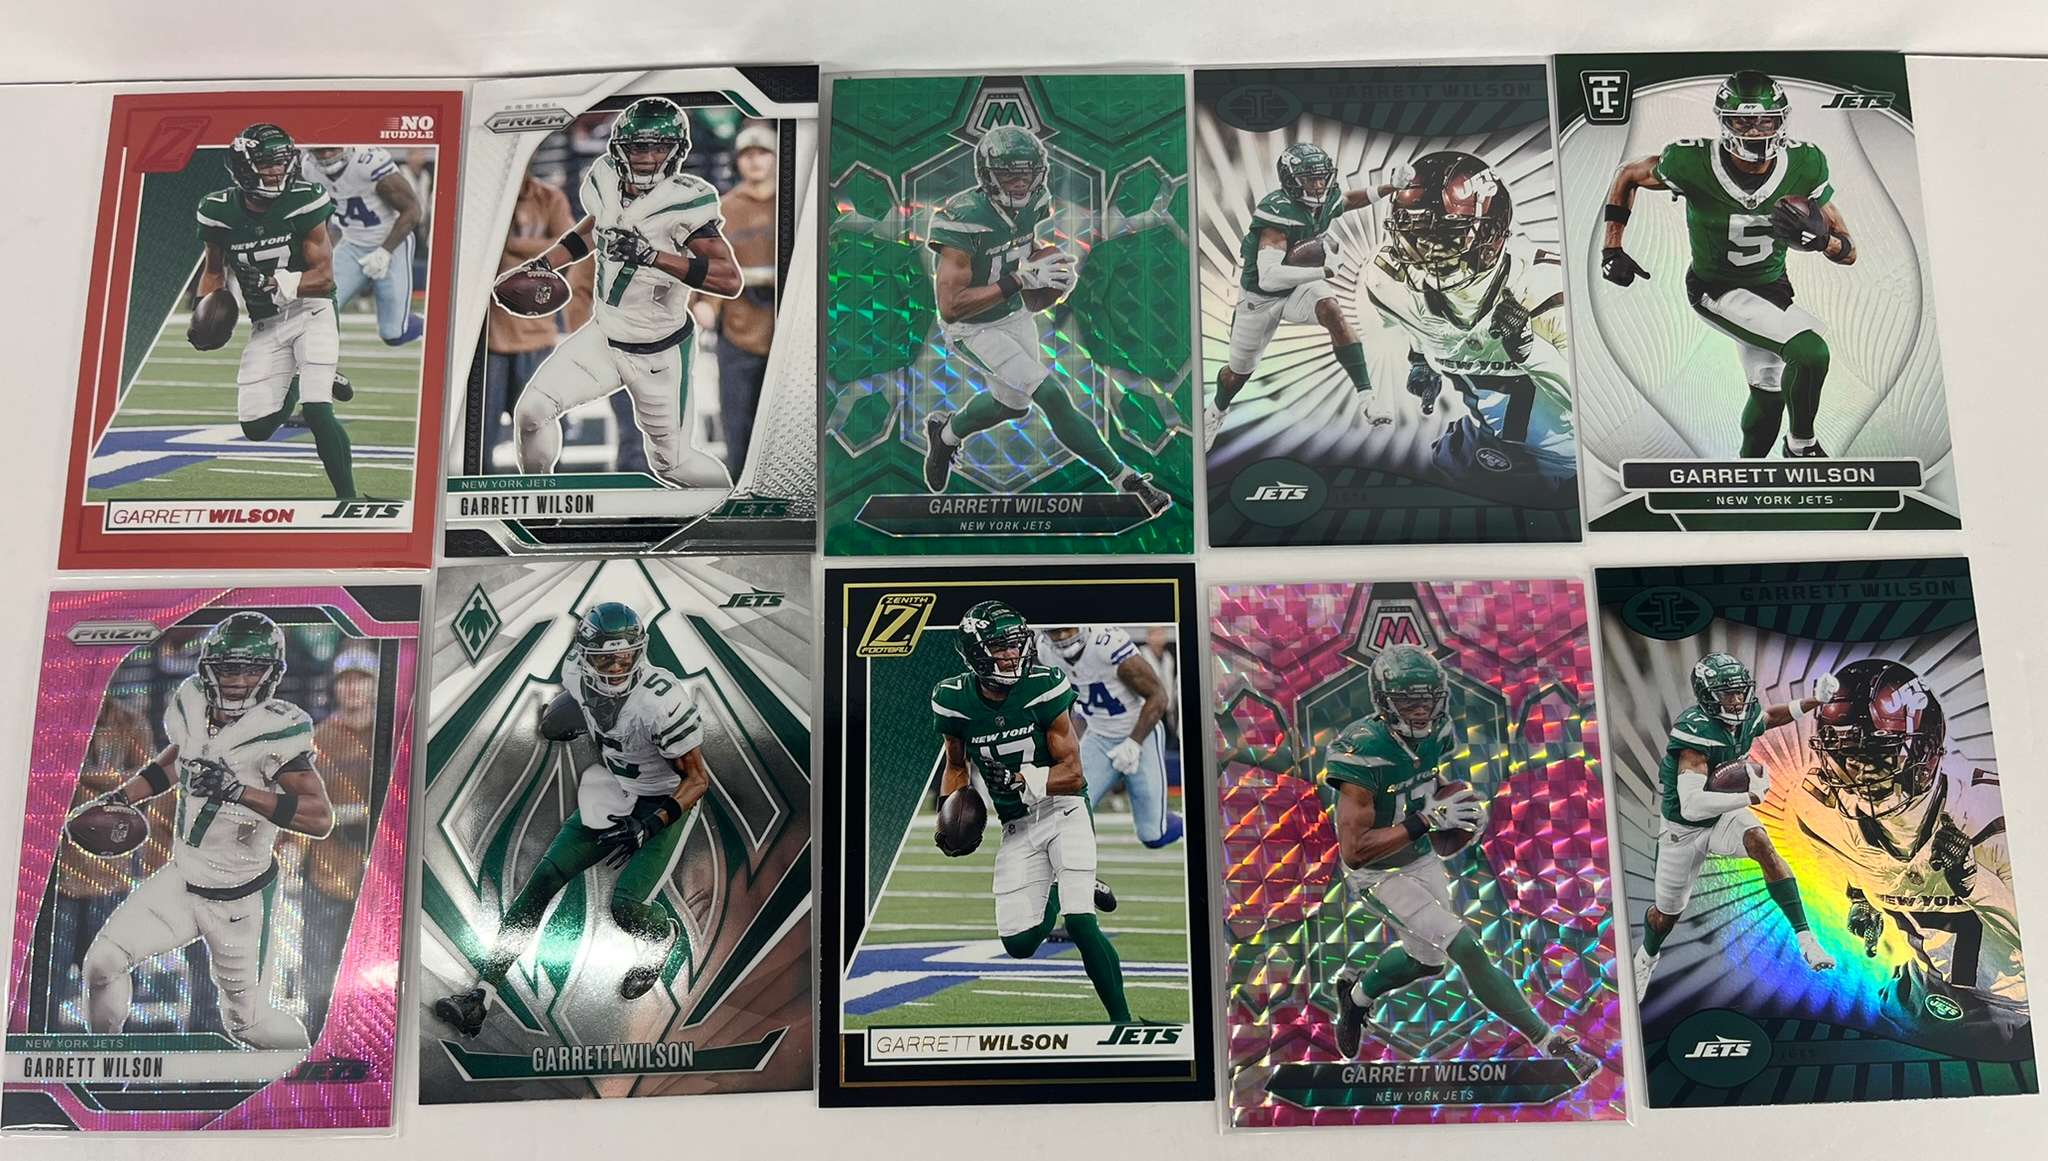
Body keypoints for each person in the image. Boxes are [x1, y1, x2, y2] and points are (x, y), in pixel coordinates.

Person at [301, 663, 378, 1037]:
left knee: (372, 967)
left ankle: (363, 1037)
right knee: (320, 966)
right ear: (335, 688)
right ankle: (317, 1036)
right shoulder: (317, 740)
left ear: (375, 686)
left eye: (362, 680)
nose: (354, 689)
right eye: (346, 681)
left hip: (378, 876)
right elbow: (299, 801)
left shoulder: (392, 736)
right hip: (327, 872)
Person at [483, 174, 580, 467]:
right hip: (488, 338)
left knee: (545, 434)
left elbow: (572, 249)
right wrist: (540, 255)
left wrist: (510, 246)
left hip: (536, 335)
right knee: (478, 439)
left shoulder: (549, 198)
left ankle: (549, 493)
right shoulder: (484, 196)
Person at [711, 123, 779, 478]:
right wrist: (705, 305)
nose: (755, 161)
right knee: (738, 427)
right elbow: (708, 266)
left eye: (762, 153)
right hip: (738, 333)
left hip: (786, 334)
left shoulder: (793, 201)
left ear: (776, 158)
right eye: (747, 155)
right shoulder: (724, 209)